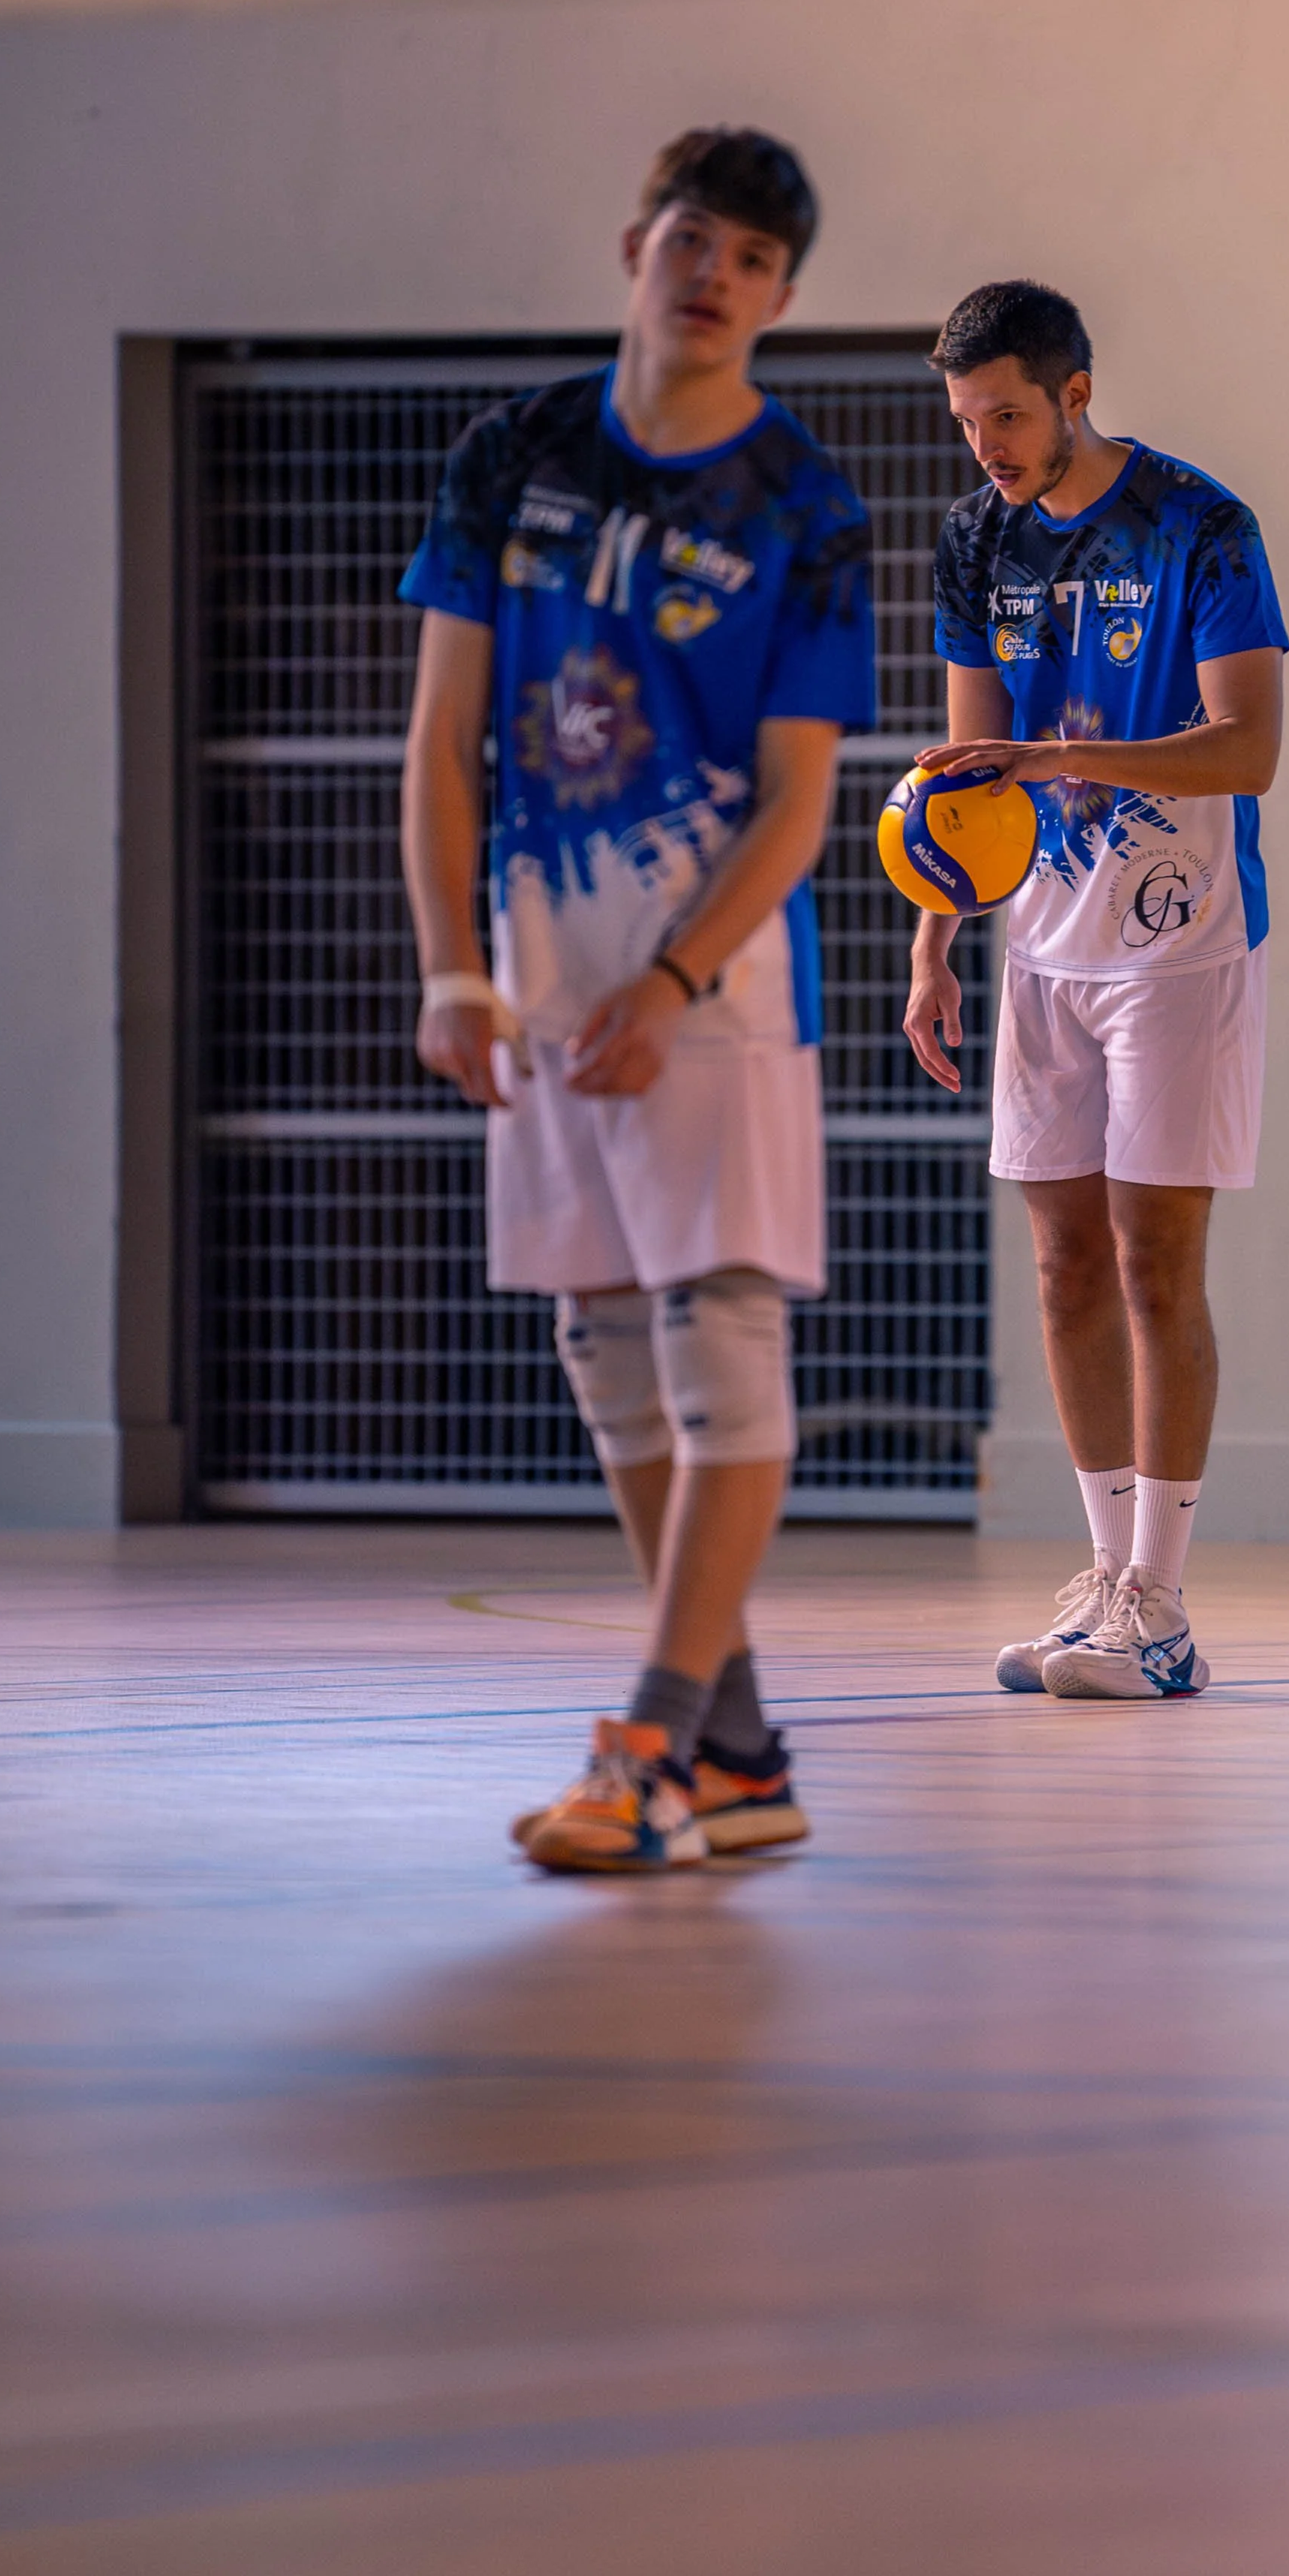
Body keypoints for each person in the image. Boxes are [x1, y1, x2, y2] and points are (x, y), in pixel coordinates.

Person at [399, 127, 875, 1868]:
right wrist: (456, 963)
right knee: (604, 1358)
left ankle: (659, 1752)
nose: (714, 275)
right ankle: (742, 1750)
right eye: (694, 238)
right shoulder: (510, 453)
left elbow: (804, 797)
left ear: (782, 297)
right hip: (542, 977)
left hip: (716, 988)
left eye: (752, 258)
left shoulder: (806, 507)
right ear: (634, 244)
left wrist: (677, 976)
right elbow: (443, 740)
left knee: (717, 1340)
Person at [905, 280, 1287, 1699]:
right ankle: (1102, 1584)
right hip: (1039, 946)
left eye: (1006, 411)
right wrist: (936, 935)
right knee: (1063, 1263)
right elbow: (966, 782)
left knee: (1149, 1262)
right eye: (964, 420)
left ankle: (1167, 1606)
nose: (985, 443)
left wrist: (1067, 768)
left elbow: (1246, 750)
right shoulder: (972, 540)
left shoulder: (1203, 524)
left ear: (1075, 391)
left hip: (1181, 943)